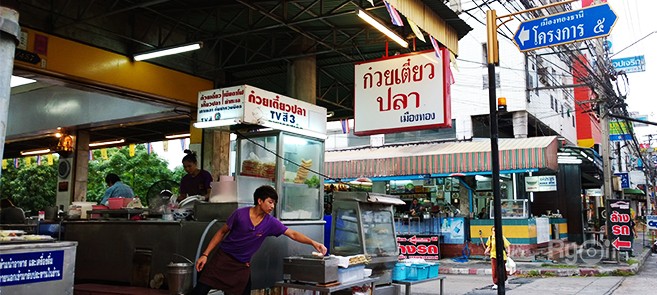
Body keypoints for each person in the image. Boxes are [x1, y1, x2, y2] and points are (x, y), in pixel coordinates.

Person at [192, 185, 327, 295]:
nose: (272, 206)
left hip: (242, 267)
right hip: (222, 260)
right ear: (259, 201)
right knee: (200, 291)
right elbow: (221, 232)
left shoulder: (270, 222)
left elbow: (292, 234)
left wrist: (313, 243)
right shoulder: (240, 214)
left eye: (274, 203)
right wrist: (205, 254)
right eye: (270, 202)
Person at [484, 226, 511, 290]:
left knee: (502, 269)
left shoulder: (502, 237)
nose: (495, 232)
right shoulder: (490, 238)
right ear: (492, 231)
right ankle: (496, 283)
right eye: (493, 230)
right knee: (495, 270)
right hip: (493, 255)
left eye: (496, 230)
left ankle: (505, 280)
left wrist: (509, 253)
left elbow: (507, 246)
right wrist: (486, 251)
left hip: (502, 256)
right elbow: (489, 246)